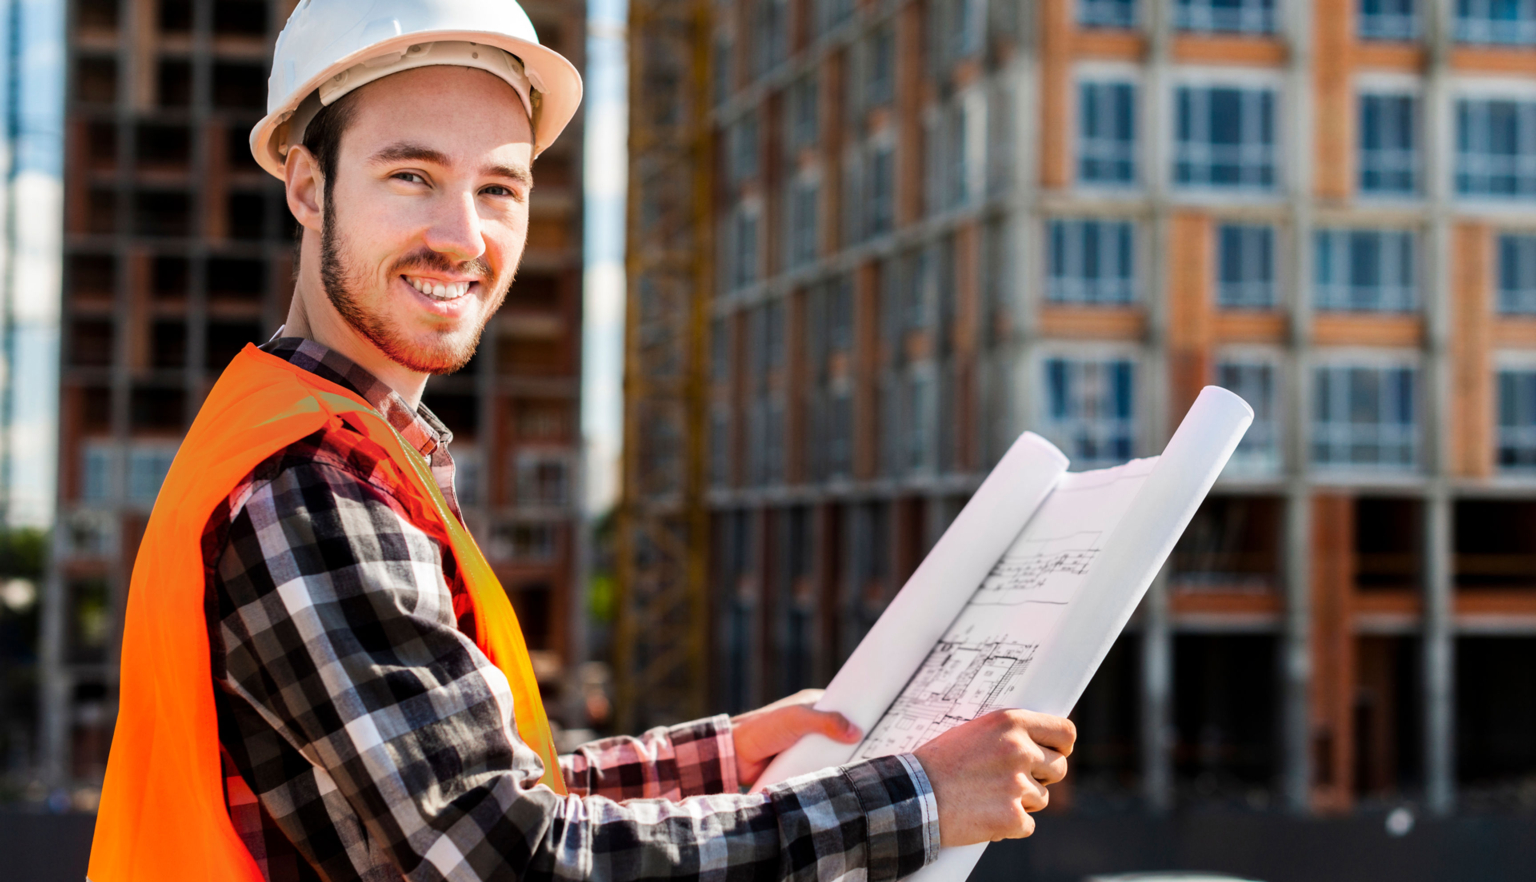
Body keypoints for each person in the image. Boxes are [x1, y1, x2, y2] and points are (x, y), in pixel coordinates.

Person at [87, 2, 1076, 880]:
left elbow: (471, 789)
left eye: (501, 188)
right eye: (411, 175)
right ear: (308, 187)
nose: (463, 236)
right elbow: (513, 858)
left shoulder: (344, 449)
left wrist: (724, 758)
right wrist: (911, 805)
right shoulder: (310, 488)